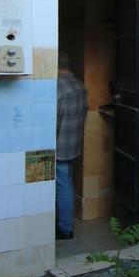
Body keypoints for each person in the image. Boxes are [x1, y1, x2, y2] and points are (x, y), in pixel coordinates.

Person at [55, 51, 88, 240]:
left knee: (62, 187)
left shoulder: (58, 89)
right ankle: (64, 221)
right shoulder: (80, 86)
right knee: (67, 183)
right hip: (74, 144)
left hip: (59, 147)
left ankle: (65, 228)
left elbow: (53, 121)